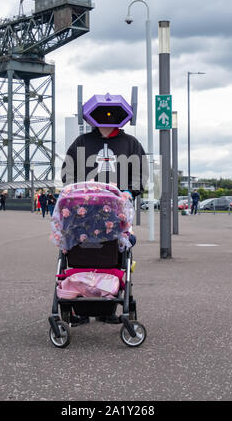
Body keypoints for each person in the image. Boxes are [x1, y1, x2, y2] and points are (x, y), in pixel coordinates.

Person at [61, 92, 148, 326]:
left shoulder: (131, 144)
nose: (107, 118)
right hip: (83, 212)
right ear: (91, 117)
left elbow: (140, 173)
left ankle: (108, 306)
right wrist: (74, 189)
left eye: (112, 114)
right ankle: (77, 305)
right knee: (81, 254)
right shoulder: (81, 143)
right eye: (101, 114)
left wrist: (131, 190)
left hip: (116, 212)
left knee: (114, 256)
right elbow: (67, 171)